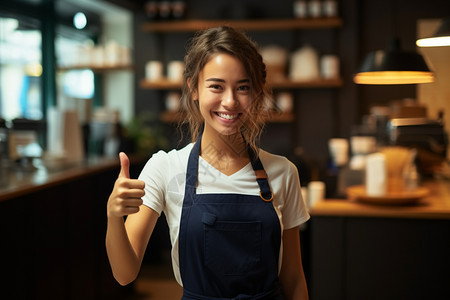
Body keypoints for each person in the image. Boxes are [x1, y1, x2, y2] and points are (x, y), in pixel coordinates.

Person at [106, 26, 310, 300]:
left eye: (243, 88)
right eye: (216, 86)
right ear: (193, 88)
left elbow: (295, 279)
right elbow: (124, 273)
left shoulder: (283, 172)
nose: (230, 101)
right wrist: (113, 217)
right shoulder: (165, 168)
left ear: (257, 94)